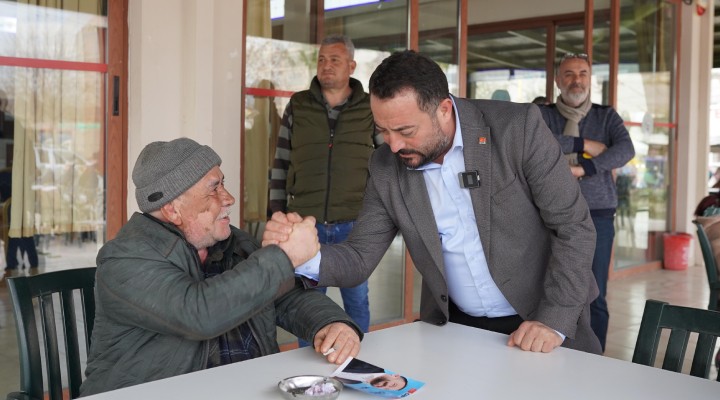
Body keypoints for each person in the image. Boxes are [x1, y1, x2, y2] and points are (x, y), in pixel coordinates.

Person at [264, 50, 602, 354]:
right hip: (456, 331)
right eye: (383, 131)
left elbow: (573, 227)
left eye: (406, 131)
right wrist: (307, 255)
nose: (393, 146)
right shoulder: (386, 166)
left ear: (443, 109)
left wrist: (553, 320)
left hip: (542, 323)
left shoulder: (517, 129)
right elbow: (358, 257)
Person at [80, 138, 362, 396]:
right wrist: (284, 257)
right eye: (213, 189)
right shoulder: (124, 259)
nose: (229, 198)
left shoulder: (232, 242)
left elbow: (284, 295)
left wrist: (330, 322)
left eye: (222, 184)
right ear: (172, 209)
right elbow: (199, 313)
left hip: (244, 388)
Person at [269, 34, 381, 344]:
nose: (326, 66)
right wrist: (277, 213)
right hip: (307, 225)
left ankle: (359, 362)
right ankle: (313, 373)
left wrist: (380, 216)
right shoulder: (299, 104)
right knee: (310, 303)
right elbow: (281, 161)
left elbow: (386, 165)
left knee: (356, 300)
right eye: (321, 59)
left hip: (354, 225)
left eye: (334, 60)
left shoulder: (369, 106)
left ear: (351, 66)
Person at [538, 53, 635, 353]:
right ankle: (555, 350)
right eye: (568, 74)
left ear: (590, 79)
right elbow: (539, 142)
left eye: (582, 73)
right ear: (557, 80)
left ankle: (596, 357)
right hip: (549, 212)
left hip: (598, 214)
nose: (576, 80)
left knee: (596, 293)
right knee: (548, 286)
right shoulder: (543, 114)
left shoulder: (606, 116)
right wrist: (584, 145)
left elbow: (625, 149)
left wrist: (584, 168)